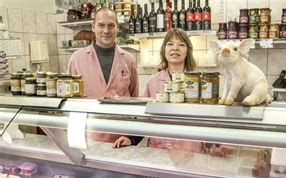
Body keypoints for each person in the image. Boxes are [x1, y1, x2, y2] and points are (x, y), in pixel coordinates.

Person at [112, 29, 229, 157]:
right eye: (170, 44)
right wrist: (131, 138)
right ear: (164, 50)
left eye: (181, 45)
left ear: (188, 51)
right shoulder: (153, 82)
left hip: (190, 153)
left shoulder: (203, 81)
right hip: (158, 151)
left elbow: (208, 120)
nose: (175, 48)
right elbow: (145, 118)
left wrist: (214, 145)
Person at [67, 7, 139, 143]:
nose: (106, 31)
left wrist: (131, 137)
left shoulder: (128, 59)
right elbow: (70, 101)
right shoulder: (77, 58)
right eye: (101, 25)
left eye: (111, 26)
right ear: (93, 27)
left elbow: (134, 99)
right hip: (89, 136)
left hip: (120, 137)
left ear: (117, 28)